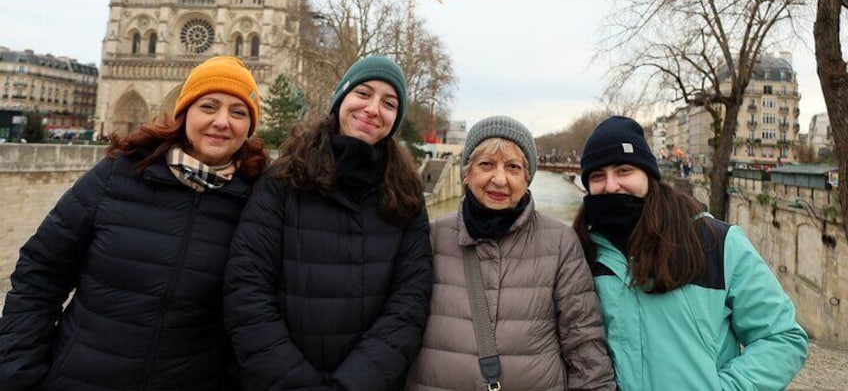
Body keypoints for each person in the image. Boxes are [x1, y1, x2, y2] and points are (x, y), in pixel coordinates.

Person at [0, 55, 268, 390]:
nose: (222, 121)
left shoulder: (257, 202)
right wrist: (17, 374)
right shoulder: (118, 175)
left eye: (239, 112)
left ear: (250, 126)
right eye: (208, 106)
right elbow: (39, 276)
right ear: (183, 113)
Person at [224, 55, 432, 390]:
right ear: (340, 99)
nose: (373, 109)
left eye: (389, 103)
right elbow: (246, 290)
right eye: (363, 94)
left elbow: (409, 304)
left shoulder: (406, 196)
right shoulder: (282, 181)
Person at [573, 115, 808, 390]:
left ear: (648, 175)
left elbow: (783, 338)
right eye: (598, 176)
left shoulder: (716, 243)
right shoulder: (579, 253)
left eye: (624, 171)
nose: (611, 185)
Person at [406, 115, 616, 390]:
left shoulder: (560, 242)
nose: (500, 178)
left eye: (513, 167)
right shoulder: (430, 237)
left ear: (527, 178)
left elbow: (584, 344)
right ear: (466, 174)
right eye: (486, 164)